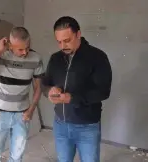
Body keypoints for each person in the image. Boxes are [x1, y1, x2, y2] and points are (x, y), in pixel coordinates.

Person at [42, 16, 112, 162]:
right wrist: (49, 91)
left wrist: (72, 98)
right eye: (59, 42)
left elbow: (103, 91)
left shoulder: (97, 57)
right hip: (60, 124)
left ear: (78, 34)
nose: (62, 46)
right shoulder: (55, 58)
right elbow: (45, 83)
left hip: (87, 127)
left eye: (67, 40)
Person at [0, 27, 44, 162]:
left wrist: (31, 110)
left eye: (27, 47)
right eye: (20, 49)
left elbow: (38, 87)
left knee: (17, 157)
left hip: (22, 116)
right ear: (10, 45)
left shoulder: (36, 59)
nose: (25, 52)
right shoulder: (1, 55)